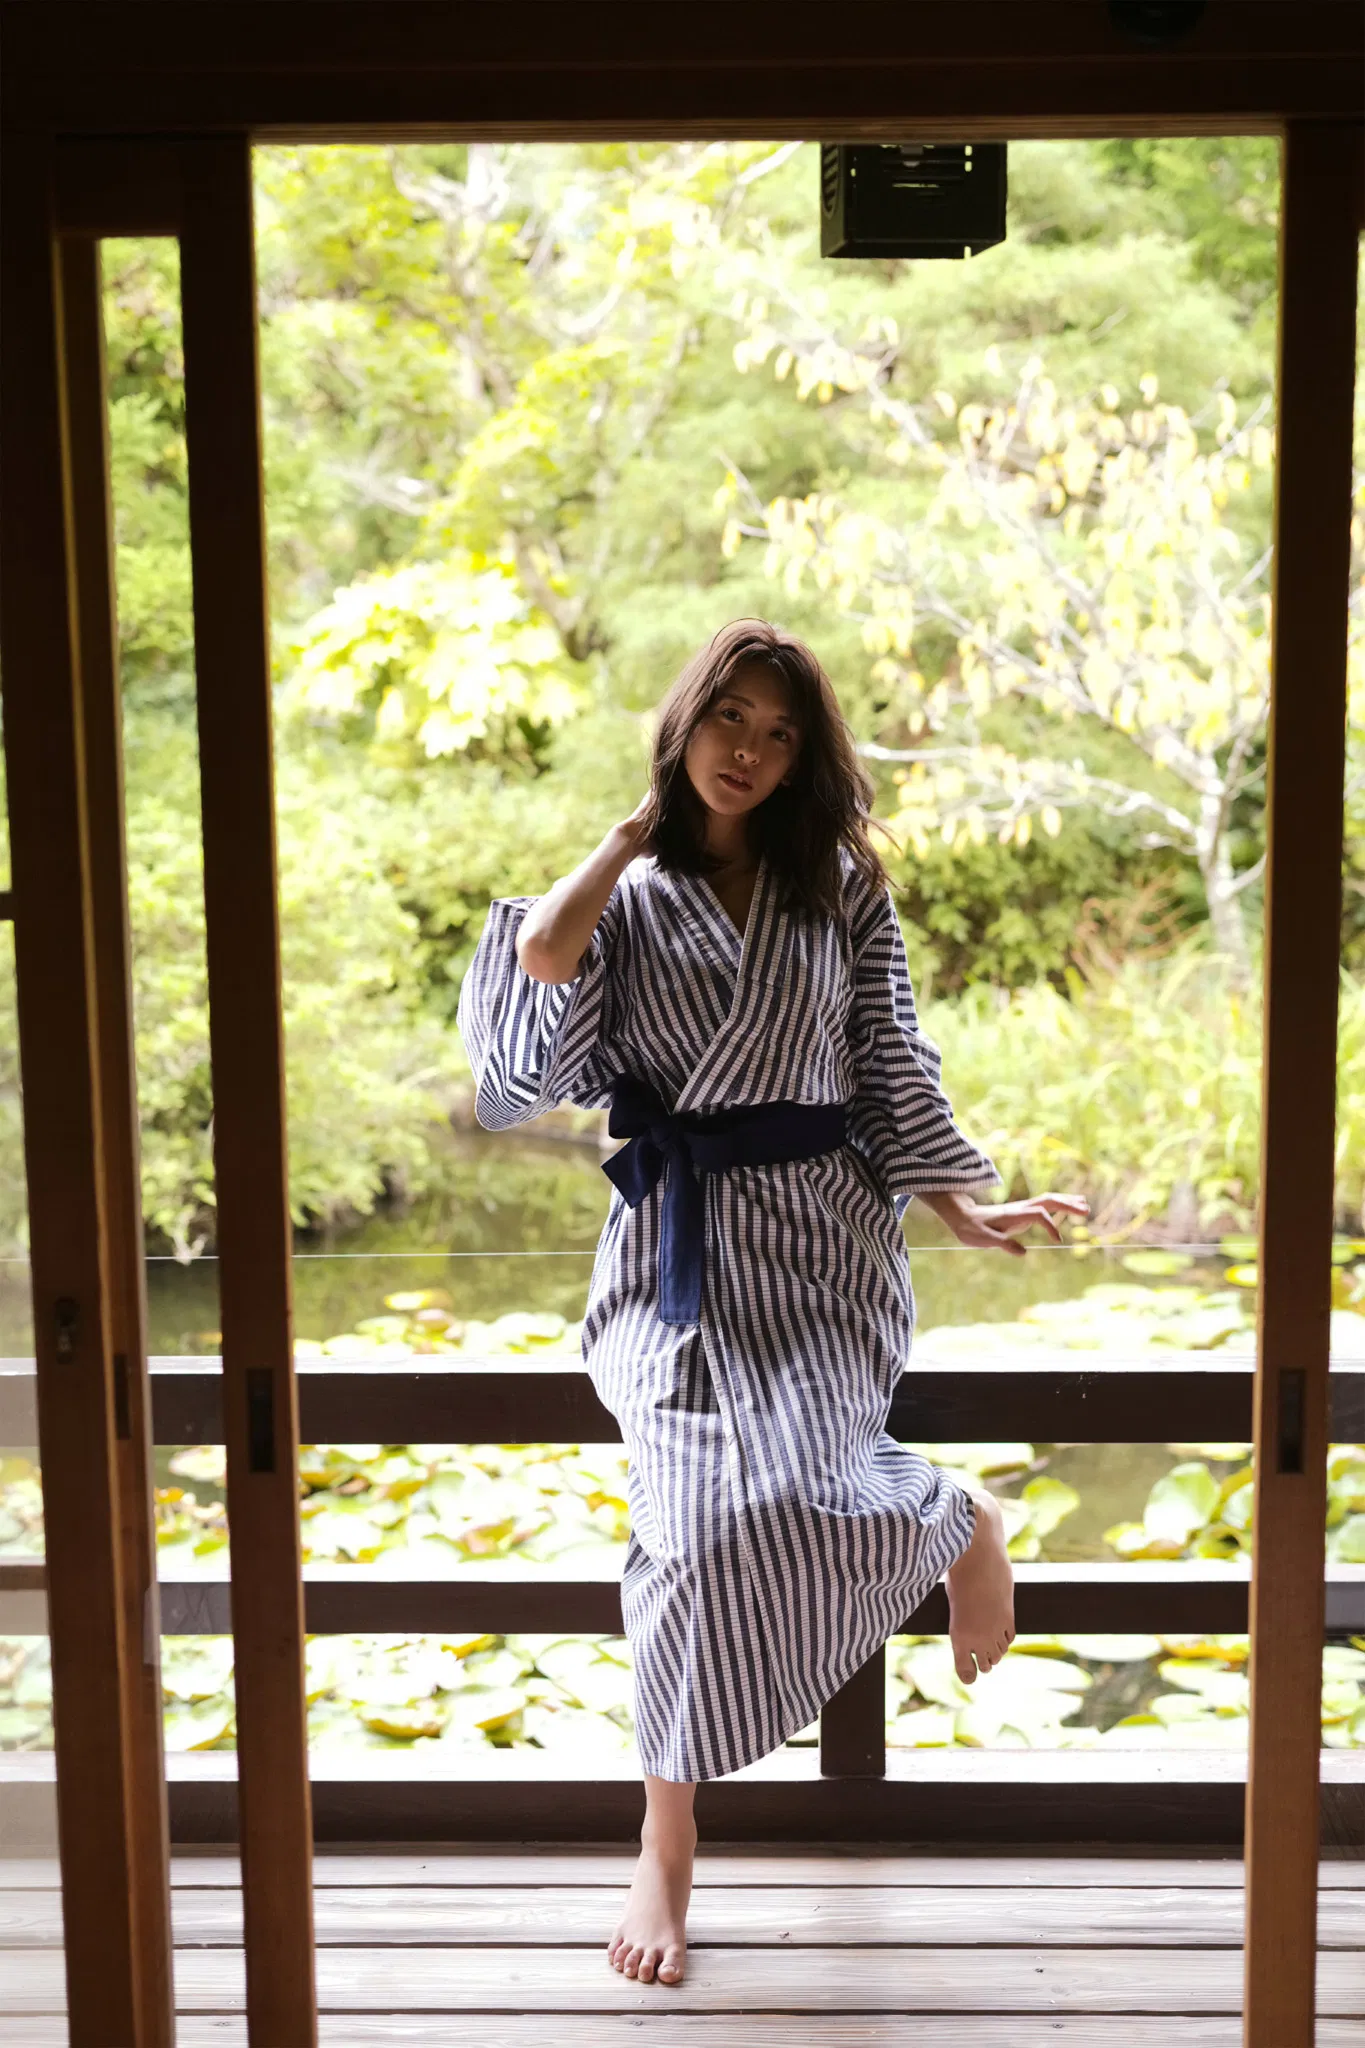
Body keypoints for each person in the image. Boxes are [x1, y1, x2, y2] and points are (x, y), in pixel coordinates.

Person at [455, 618, 1087, 1990]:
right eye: (729, 719)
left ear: (804, 758)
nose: (748, 750)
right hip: (673, 1264)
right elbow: (539, 990)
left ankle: (956, 1518)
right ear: (686, 724)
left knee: (808, 1483)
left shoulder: (837, 886)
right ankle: (666, 1842)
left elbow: (888, 1056)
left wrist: (958, 1203)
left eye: (779, 732)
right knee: (687, 1530)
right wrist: (625, 840)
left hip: (819, 1247)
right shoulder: (630, 890)